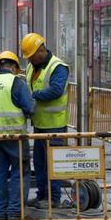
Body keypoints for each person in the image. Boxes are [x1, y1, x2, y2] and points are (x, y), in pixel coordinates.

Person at [0, 51, 35, 220]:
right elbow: (29, 107)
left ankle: (0, 213)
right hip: (14, 136)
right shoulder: (16, 82)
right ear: (15, 67)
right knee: (20, 173)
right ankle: (14, 212)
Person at [21, 32, 72, 209]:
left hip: (55, 126)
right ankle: (42, 195)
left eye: (31, 56)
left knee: (54, 164)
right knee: (41, 163)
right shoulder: (31, 67)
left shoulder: (58, 67)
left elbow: (56, 90)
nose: (29, 61)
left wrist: (32, 96)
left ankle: (54, 199)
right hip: (40, 125)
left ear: (41, 51)